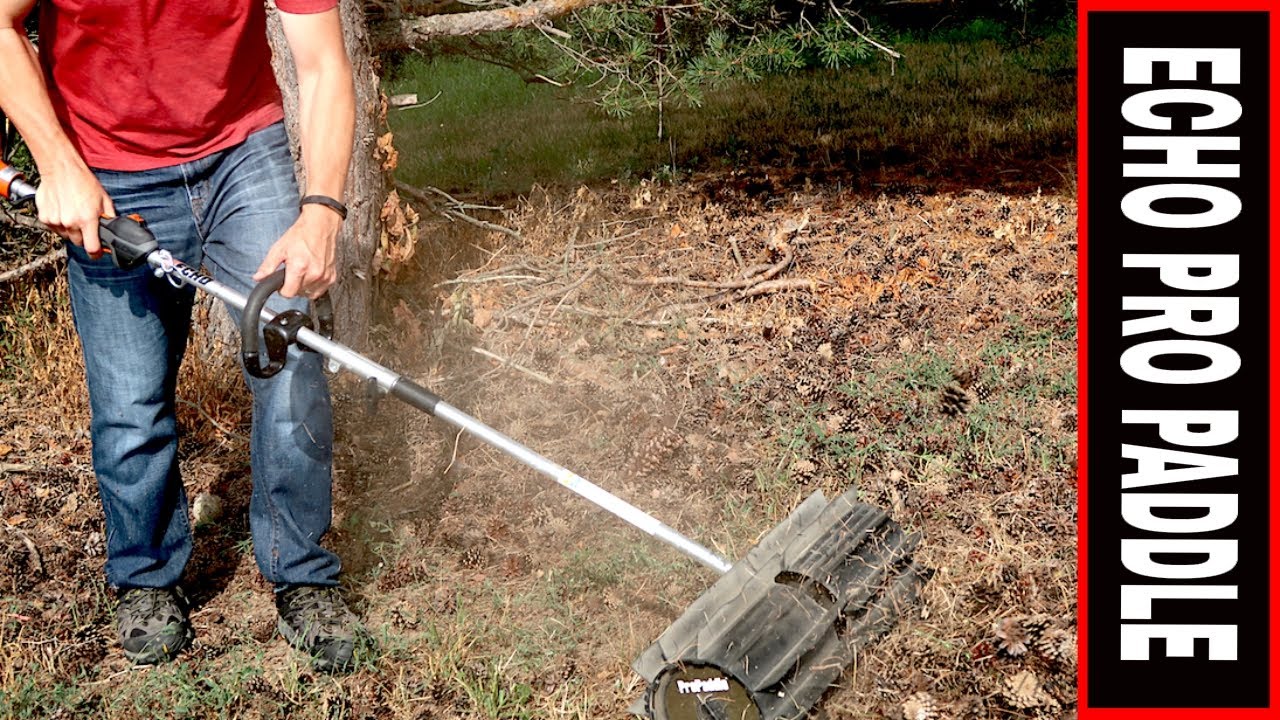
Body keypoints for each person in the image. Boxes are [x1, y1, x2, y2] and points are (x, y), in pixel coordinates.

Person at [0, 0, 364, 672]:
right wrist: (56, 162)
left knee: (290, 363)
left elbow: (320, 65)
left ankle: (304, 572)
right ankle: (144, 579)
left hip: (241, 154)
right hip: (104, 165)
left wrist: (320, 216)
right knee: (131, 403)